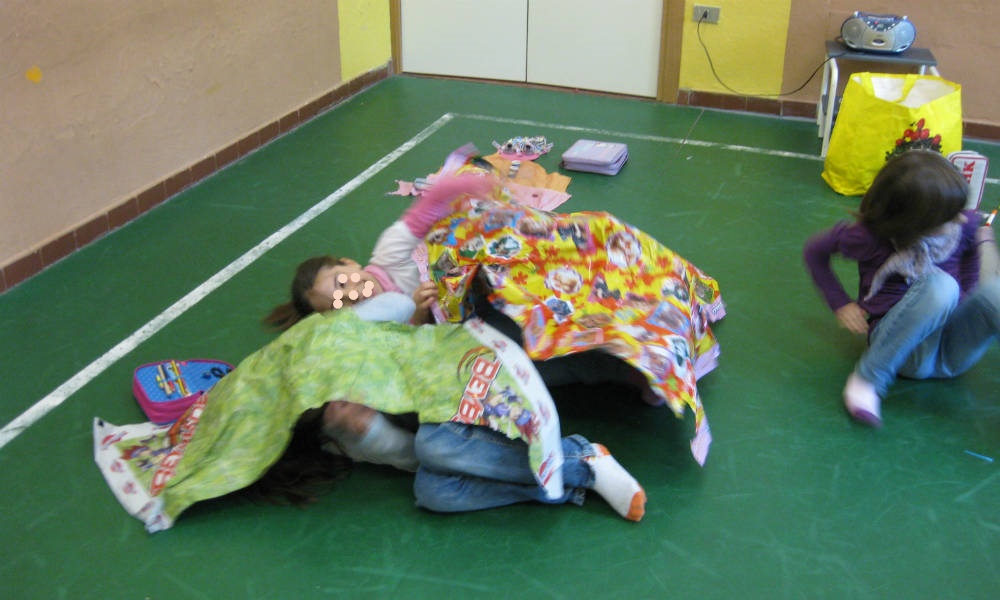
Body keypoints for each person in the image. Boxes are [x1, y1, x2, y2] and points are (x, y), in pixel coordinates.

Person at [252, 292, 646, 522]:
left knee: (434, 445)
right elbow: (415, 461)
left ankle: (580, 457)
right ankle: (576, 470)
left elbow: (395, 305)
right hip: (465, 429)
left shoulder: (347, 338)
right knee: (432, 491)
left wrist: (347, 326)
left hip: (469, 366)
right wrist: (365, 430)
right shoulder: (335, 431)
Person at [803, 150, 1000, 427]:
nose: (959, 219)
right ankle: (867, 380)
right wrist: (841, 303)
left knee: (994, 292)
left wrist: (967, 297)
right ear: (912, 223)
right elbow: (815, 251)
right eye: (948, 216)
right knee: (941, 286)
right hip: (904, 355)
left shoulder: (961, 224)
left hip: (953, 355)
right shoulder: (869, 237)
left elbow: (969, 258)